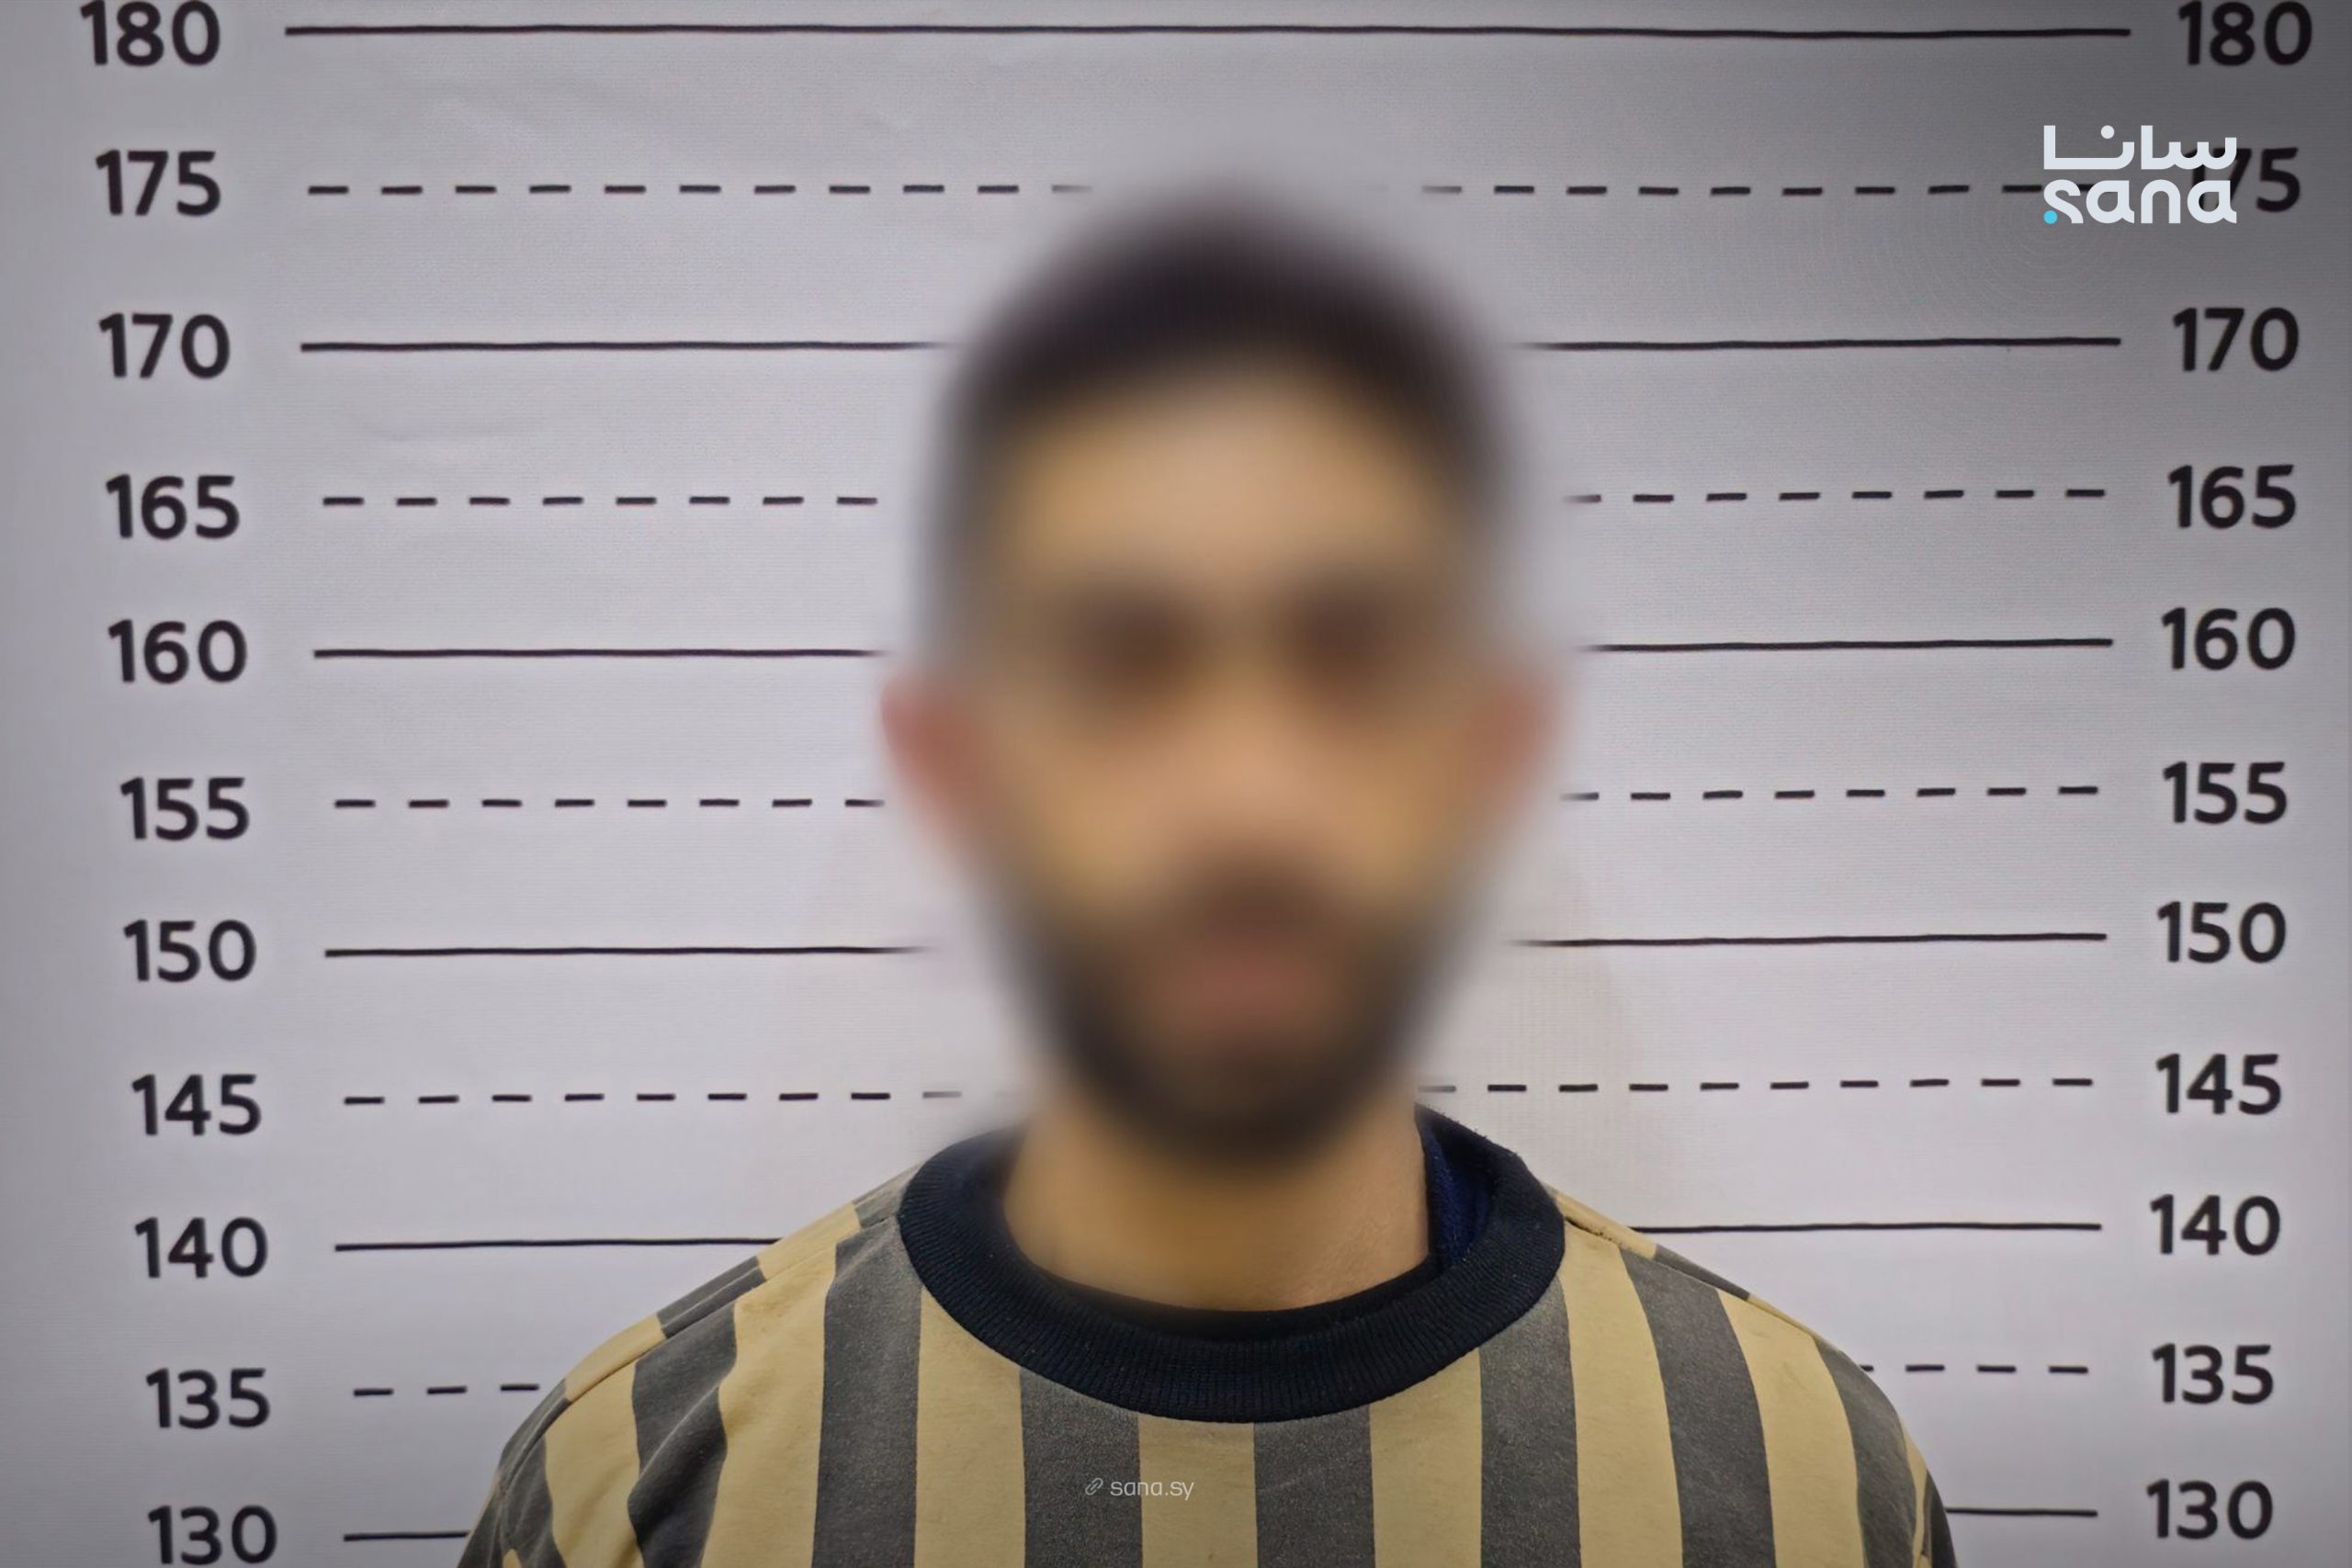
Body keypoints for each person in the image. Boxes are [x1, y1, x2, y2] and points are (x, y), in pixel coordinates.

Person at [458, 200, 1956, 1568]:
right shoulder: (639, 1492)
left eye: (1353, 657)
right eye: (1120, 661)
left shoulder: (1806, 1481)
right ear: (958, 761)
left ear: (1485, 752)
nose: (1249, 799)